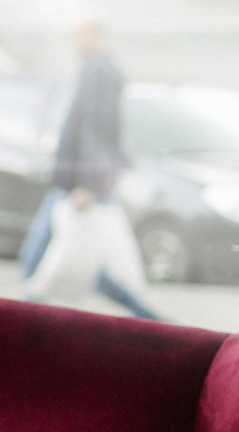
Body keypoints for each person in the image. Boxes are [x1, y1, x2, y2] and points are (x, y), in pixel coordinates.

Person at [18, 19, 162, 321]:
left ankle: (22, 321)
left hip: (80, 182)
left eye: (79, 35)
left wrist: (87, 183)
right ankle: (148, 318)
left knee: (40, 259)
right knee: (85, 260)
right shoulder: (99, 70)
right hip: (81, 180)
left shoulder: (99, 72)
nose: (74, 42)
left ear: (97, 35)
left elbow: (96, 131)